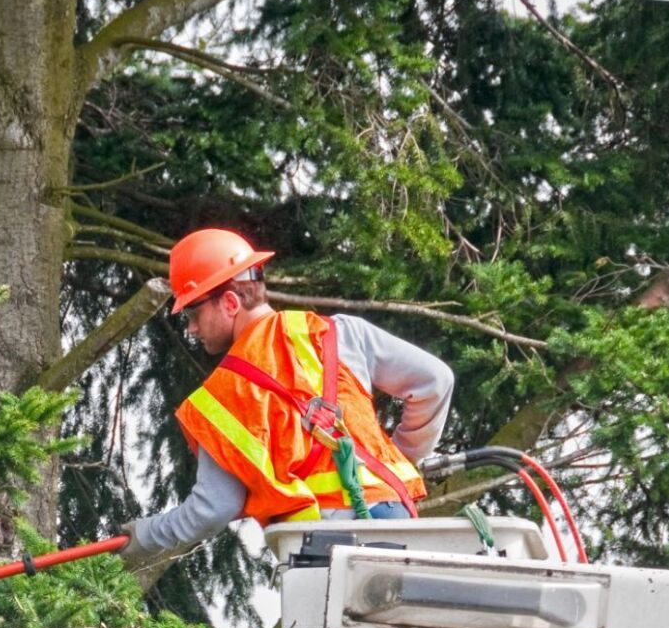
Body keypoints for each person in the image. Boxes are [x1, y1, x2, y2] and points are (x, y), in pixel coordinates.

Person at [123, 228, 452, 569]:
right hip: (399, 520)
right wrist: (399, 460)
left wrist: (146, 536)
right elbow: (435, 382)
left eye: (193, 313)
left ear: (231, 302)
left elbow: (213, 508)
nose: (191, 329)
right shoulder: (337, 332)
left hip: (325, 546)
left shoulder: (225, 394)